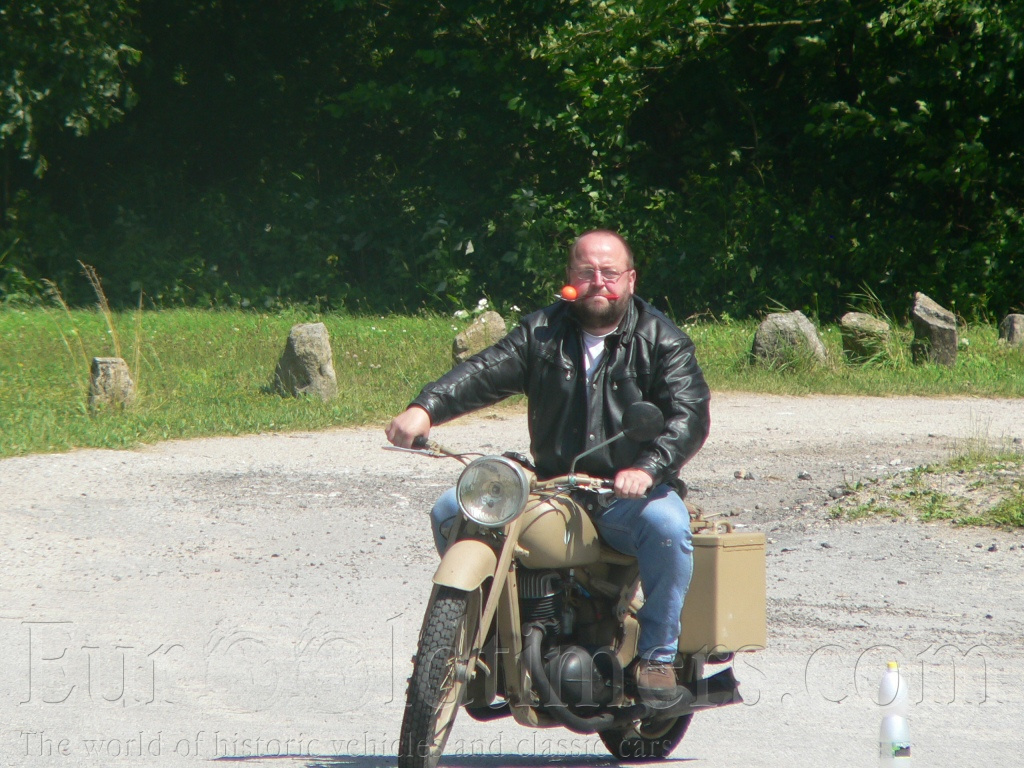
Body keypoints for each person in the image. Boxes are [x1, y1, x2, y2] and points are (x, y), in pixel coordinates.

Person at [385, 229, 711, 701]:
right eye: (586, 271)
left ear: (630, 280)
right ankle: (486, 637)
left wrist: (648, 467)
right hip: (556, 487)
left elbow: (689, 415)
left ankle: (657, 657)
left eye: (610, 273)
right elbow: (484, 371)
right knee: (450, 511)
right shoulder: (542, 332)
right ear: (570, 277)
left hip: (627, 494)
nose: (599, 281)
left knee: (667, 525)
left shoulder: (662, 340)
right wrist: (425, 408)